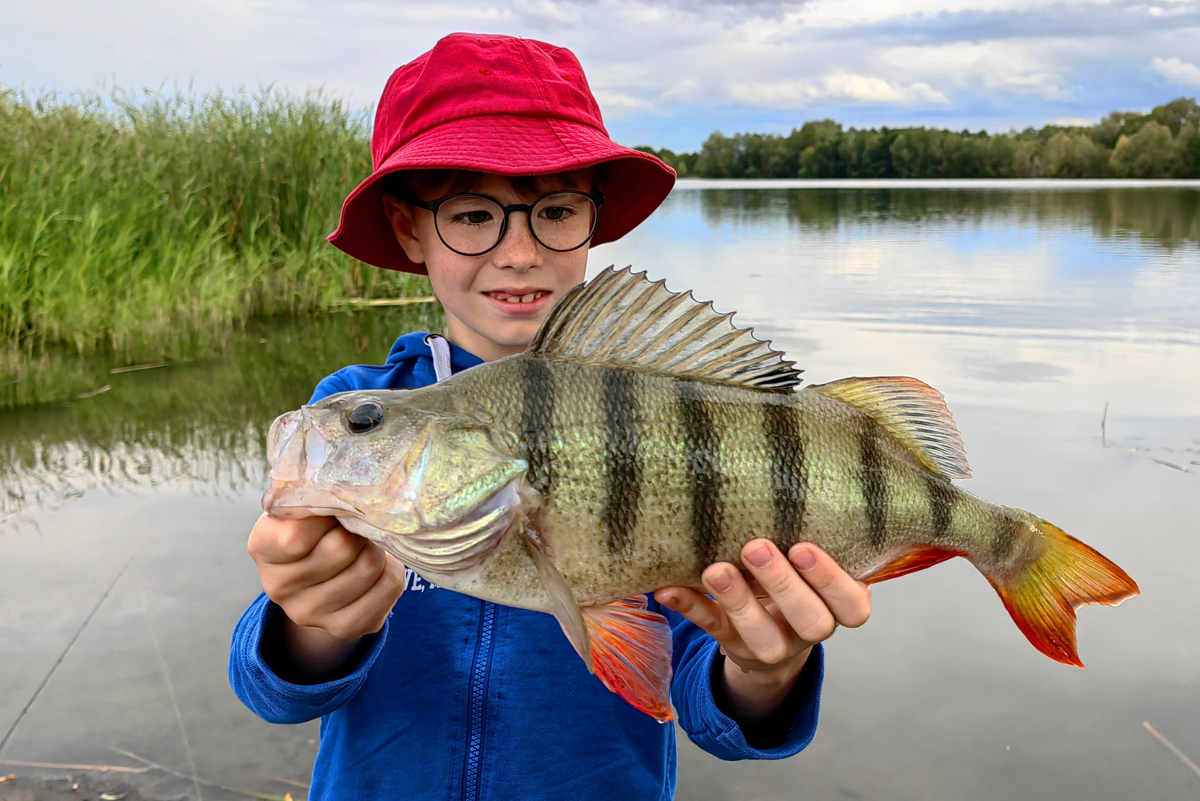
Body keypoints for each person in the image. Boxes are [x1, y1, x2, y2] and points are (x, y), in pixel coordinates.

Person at [229, 32, 872, 800]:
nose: (520, 252)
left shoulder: (659, 403)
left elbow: (705, 703)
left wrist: (770, 667)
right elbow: (271, 690)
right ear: (409, 229)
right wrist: (311, 622)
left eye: (557, 211)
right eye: (472, 215)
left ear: (593, 221)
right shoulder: (363, 397)